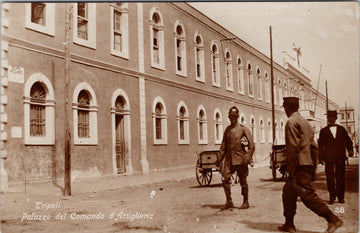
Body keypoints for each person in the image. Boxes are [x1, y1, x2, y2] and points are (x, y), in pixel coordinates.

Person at [279, 97, 343, 233]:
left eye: (284, 107)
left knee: (308, 196)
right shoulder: (305, 123)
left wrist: (290, 169)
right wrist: (312, 167)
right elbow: (314, 147)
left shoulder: (291, 122)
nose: (284, 110)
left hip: (298, 166)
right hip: (306, 164)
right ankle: (289, 224)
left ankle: (333, 219)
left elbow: (292, 148)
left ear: (287, 108)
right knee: (288, 193)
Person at [216, 106, 255, 210]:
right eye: (230, 116)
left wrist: (247, 158)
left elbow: (252, 146)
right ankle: (229, 201)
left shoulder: (243, 129)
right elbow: (223, 146)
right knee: (225, 178)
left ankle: (245, 201)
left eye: (234, 116)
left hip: (241, 159)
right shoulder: (227, 130)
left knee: (243, 181)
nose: (232, 118)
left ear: (237, 117)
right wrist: (219, 159)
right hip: (229, 160)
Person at [318, 110, 354, 204]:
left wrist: (350, 150)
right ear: (327, 118)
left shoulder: (342, 130)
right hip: (328, 157)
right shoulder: (323, 131)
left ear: (336, 118)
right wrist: (321, 157)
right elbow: (320, 145)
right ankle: (332, 196)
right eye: (329, 117)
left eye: (333, 117)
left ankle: (341, 197)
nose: (331, 119)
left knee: (340, 177)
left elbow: (348, 141)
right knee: (329, 177)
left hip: (340, 157)